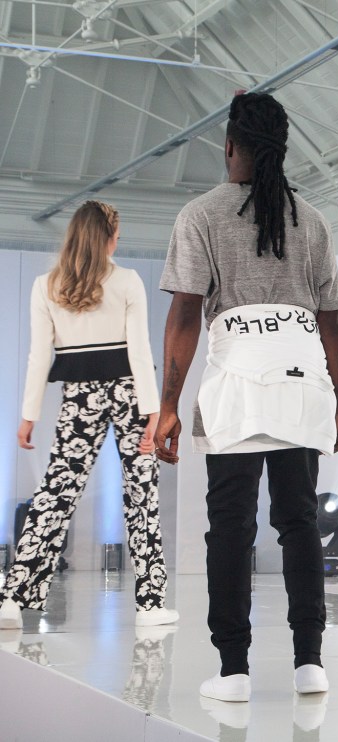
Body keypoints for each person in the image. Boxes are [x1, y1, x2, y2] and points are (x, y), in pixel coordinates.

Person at [156, 91, 338, 703]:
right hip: (302, 381)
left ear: (229, 145)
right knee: (299, 521)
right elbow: (333, 324)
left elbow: (185, 314)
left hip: (236, 382)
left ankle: (234, 670)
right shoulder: (311, 220)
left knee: (230, 527)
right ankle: (309, 663)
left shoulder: (201, 215)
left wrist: (168, 405)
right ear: (283, 149)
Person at [0, 200, 178, 631]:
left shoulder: (45, 286)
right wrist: (153, 412)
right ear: (110, 238)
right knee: (142, 495)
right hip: (130, 393)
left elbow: (39, 355)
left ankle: (12, 601)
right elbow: (140, 351)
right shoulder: (127, 281)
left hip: (79, 396)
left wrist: (29, 415)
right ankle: (150, 605)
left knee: (54, 495)